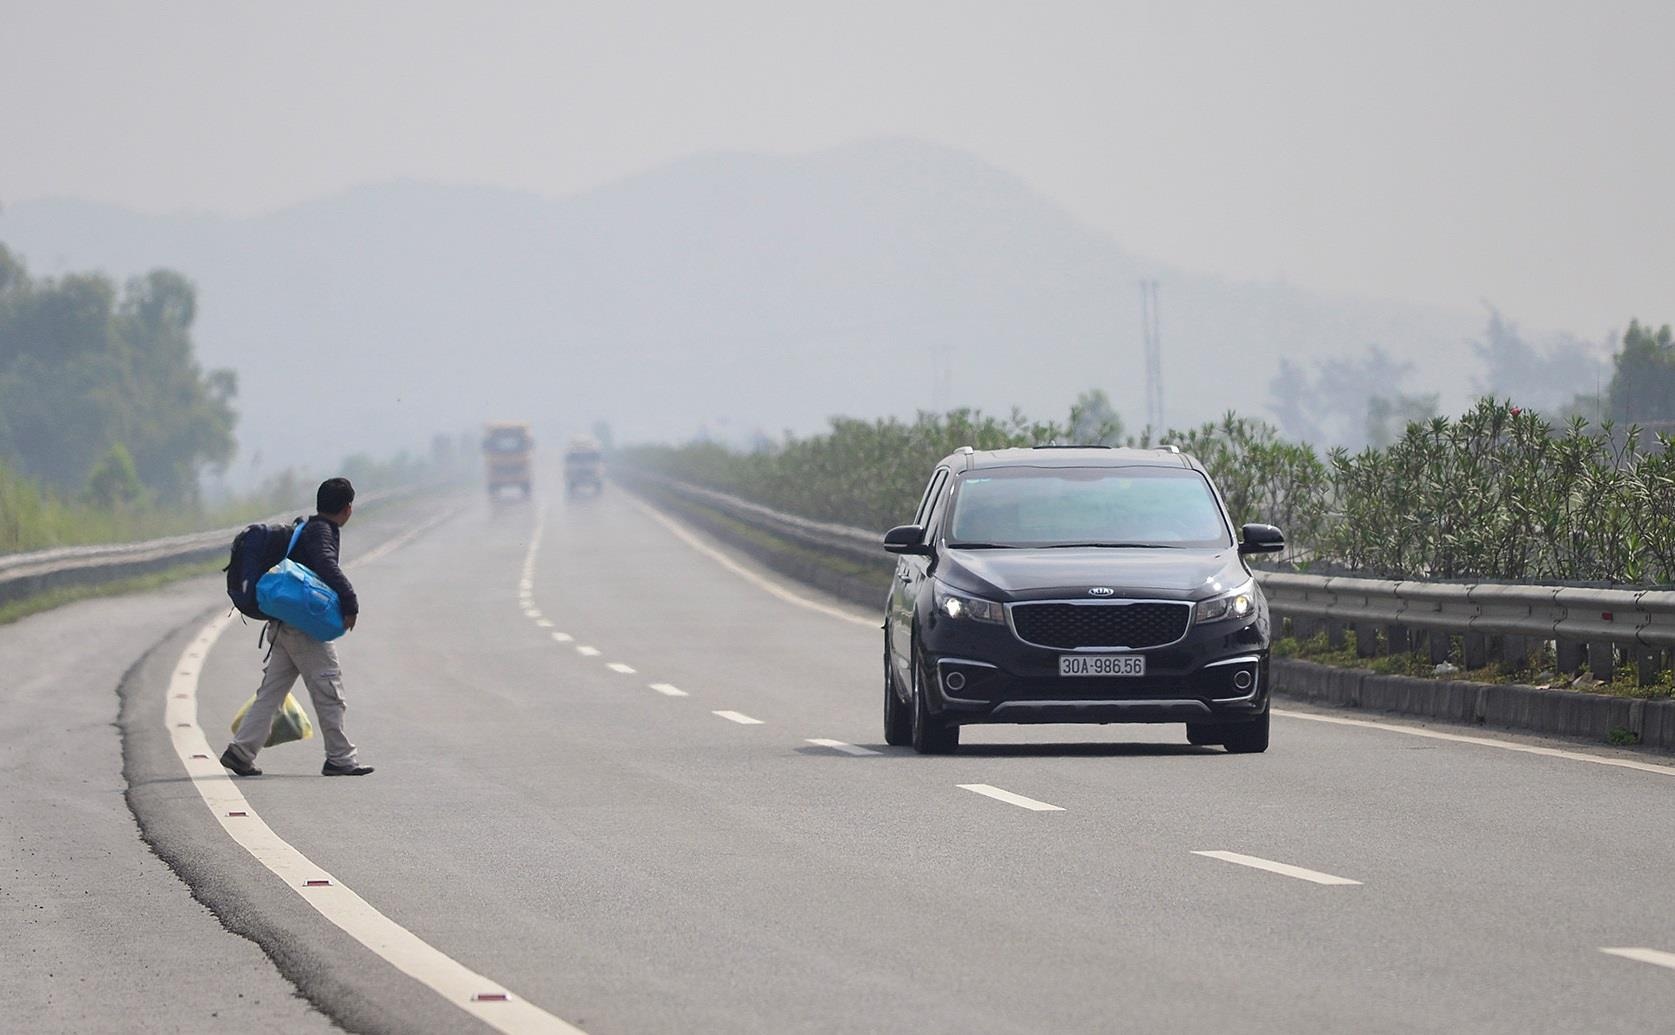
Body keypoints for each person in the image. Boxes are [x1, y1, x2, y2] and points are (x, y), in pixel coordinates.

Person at [220, 477, 373, 777]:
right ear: (348, 509)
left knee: (271, 695)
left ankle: (240, 752)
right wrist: (350, 602)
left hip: (286, 624)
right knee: (329, 688)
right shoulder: (322, 532)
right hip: (304, 628)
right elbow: (327, 564)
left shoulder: (310, 527)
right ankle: (340, 758)